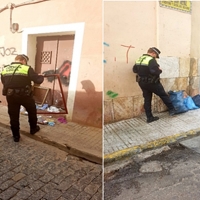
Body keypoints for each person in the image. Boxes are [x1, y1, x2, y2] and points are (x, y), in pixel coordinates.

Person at [1, 54, 44, 142]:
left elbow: (3, 82)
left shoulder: (5, 69)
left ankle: (16, 136)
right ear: (24, 61)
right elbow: (38, 80)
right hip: (25, 96)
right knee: (32, 111)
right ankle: (33, 129)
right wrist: (41, 76)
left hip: (11, 96)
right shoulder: (26, 68)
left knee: (13, 116)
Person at [133, 47, 176, 123]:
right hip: (152, 83)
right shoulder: (151, 60)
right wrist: (160, 70)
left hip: (142, 83)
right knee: (163, 95)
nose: (155, 57)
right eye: (156, 55)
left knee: (147, 99)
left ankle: (149, 117)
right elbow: (155, 72)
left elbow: (134, 70)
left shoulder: (139, 59)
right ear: (153, 53)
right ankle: (172, 109)